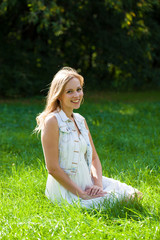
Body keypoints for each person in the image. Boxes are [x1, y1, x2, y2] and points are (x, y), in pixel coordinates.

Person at [35, 67, 142, 208]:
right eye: (69, 91)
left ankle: (97, 193)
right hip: (66, 190)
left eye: (79, 89)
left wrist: (97, 185)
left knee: (135, 194)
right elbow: (52, 168)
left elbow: (94, 158)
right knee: (124, 200)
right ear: (59, 95)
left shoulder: (80, 120)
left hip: (87, 181)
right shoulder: (52, 121)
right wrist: (82, 194)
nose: (76, 95)